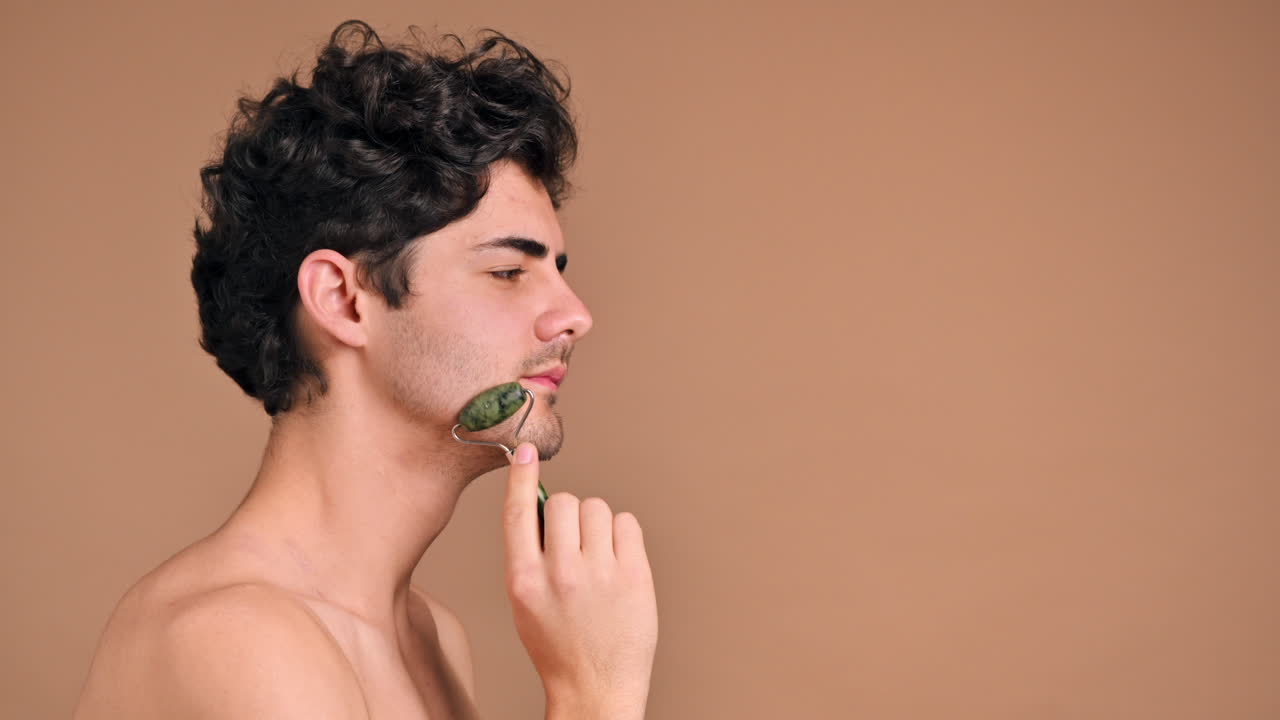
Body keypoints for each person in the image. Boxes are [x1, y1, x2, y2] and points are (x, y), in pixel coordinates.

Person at [73, 19, 658, 720]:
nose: (574, 316)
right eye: (507, 271)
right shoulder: (240, 641)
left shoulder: (430, 637)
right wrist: (594, 693)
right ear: (344, 300)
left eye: (556, 272)